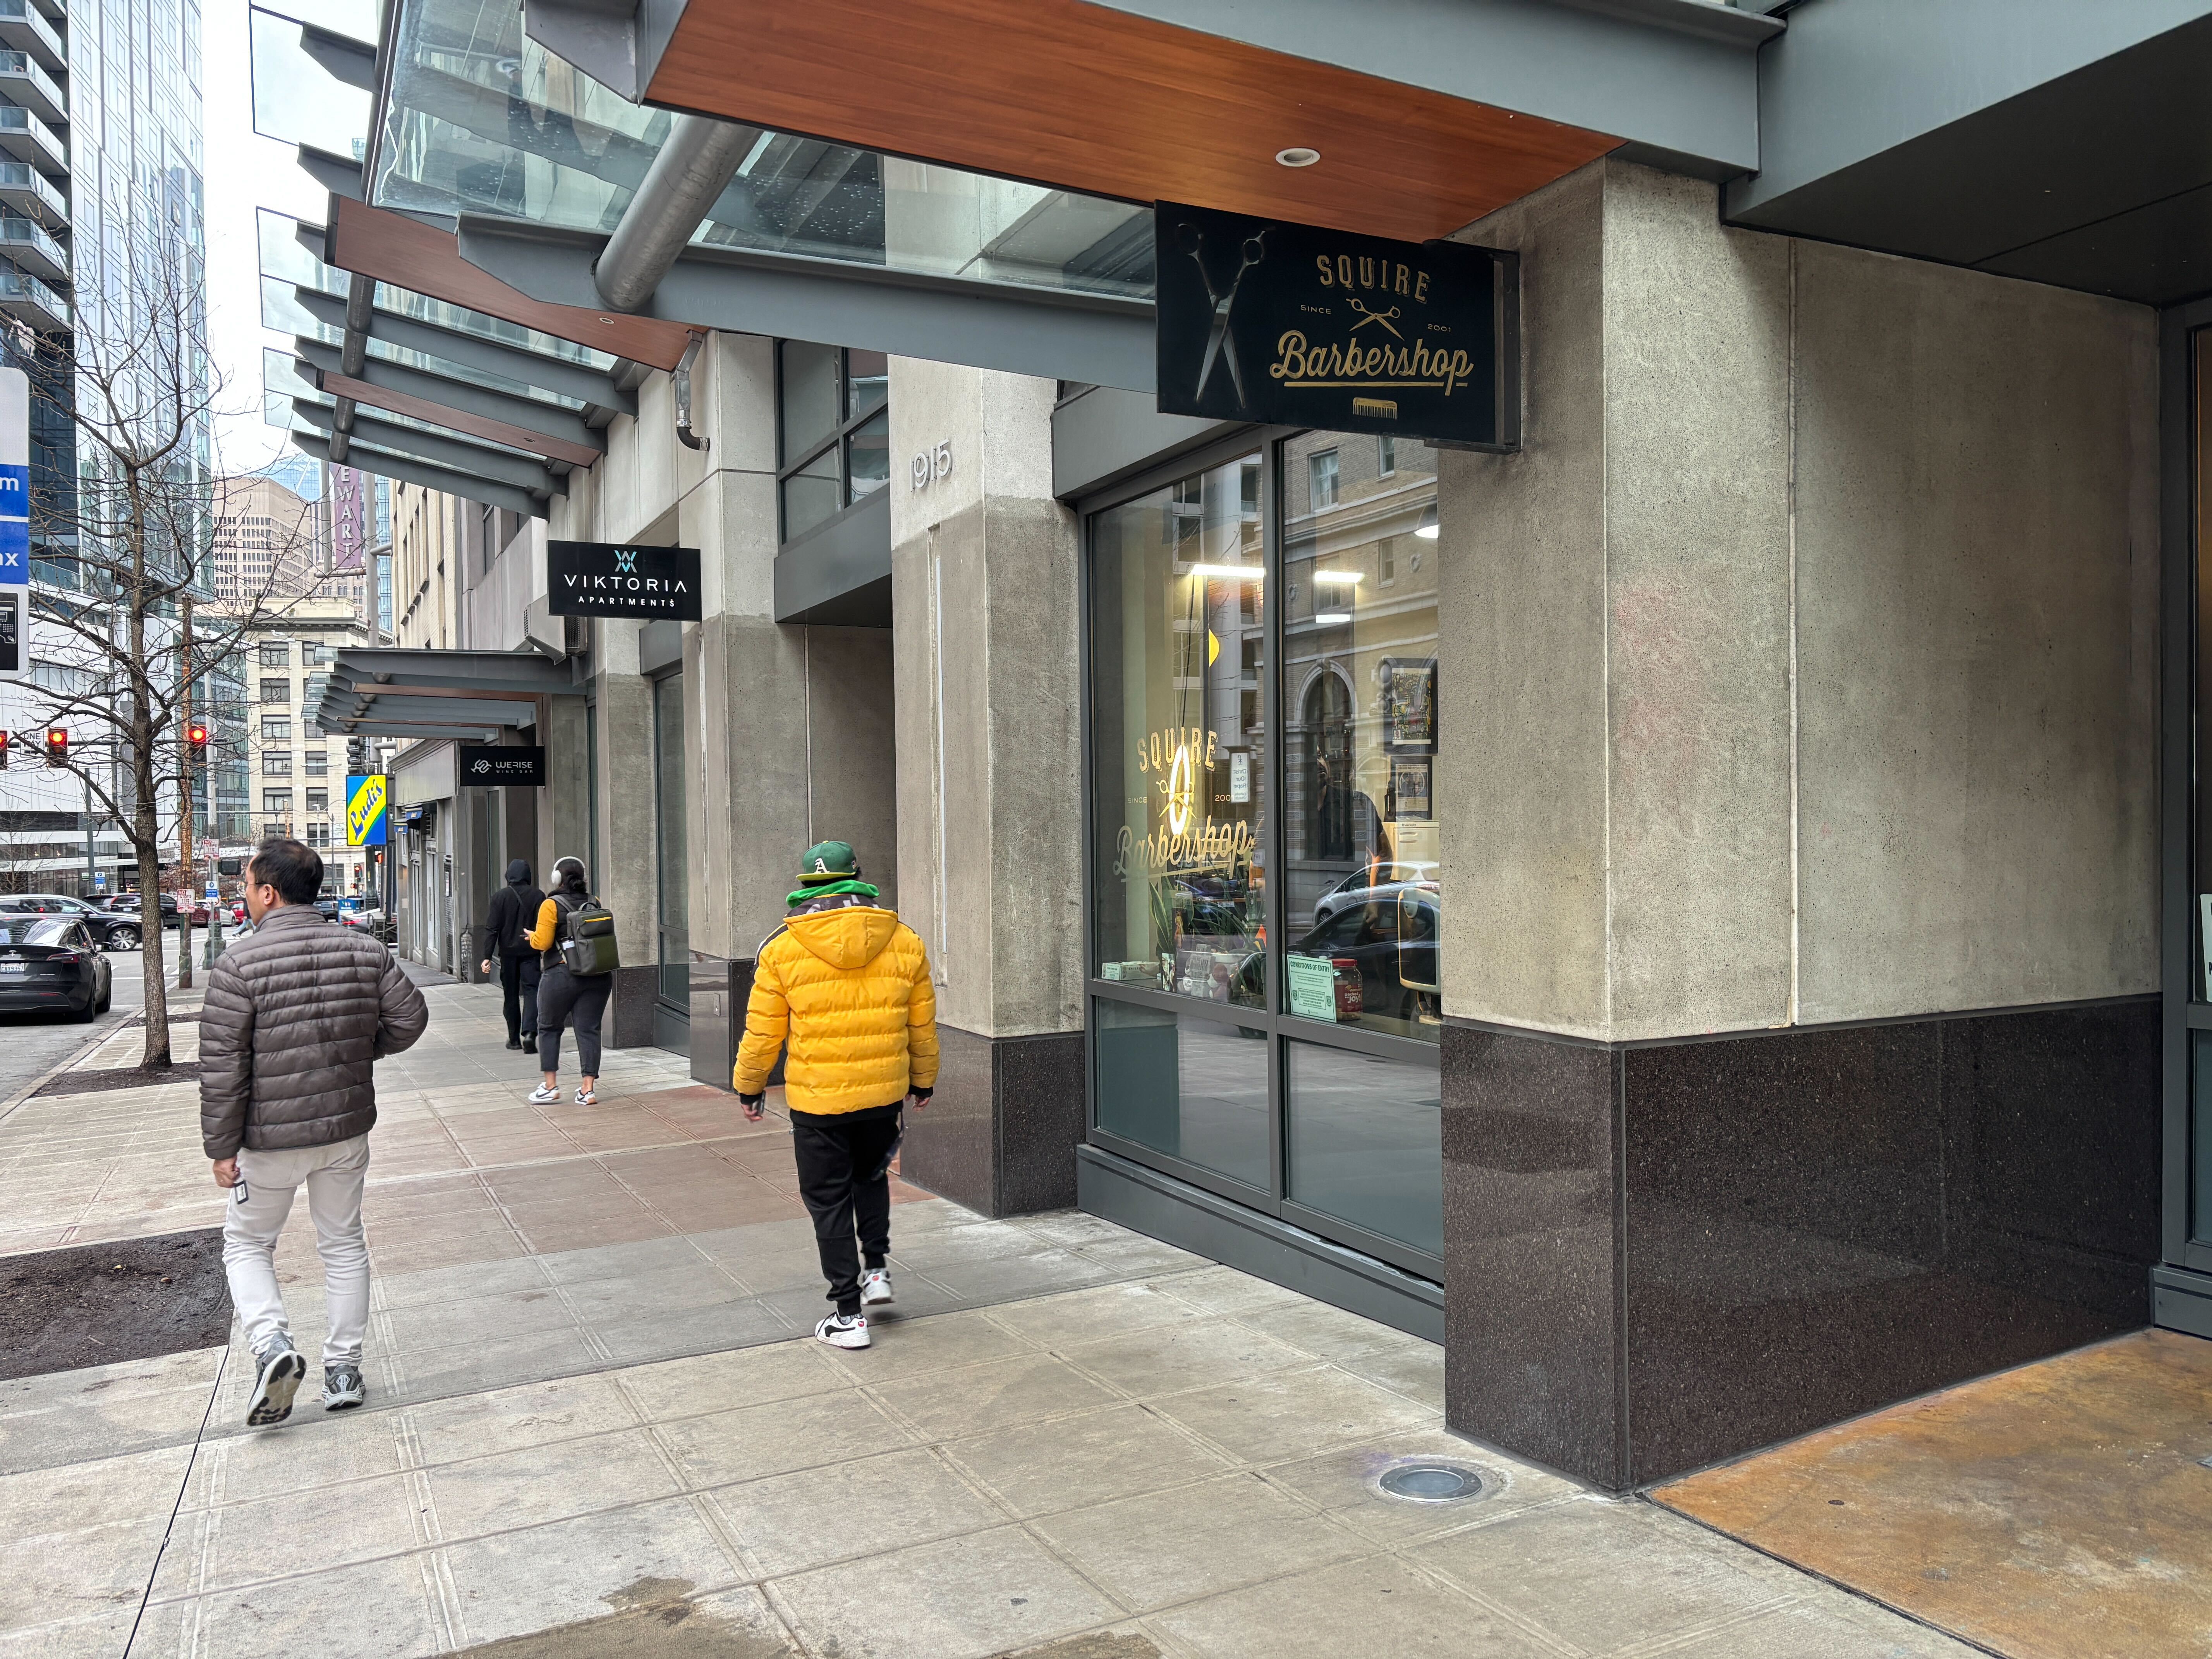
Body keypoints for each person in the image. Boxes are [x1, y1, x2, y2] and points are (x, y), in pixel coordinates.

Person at [201, 838, 429, 1427]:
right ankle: (344, 1369)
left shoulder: (238, 966)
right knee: (343, 1243)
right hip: (345, 1131)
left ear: (269, 893)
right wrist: (359, 1053)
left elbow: (224, 1069)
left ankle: (273, 1347)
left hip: (268, 1139)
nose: (244, 896)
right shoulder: (363, 950)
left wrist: (221, 1148)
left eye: (247, 886)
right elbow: (410, 1018)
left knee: (249, 1243)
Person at [734, 840, 938, 1350]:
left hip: (817, 1100)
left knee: (828, 1200)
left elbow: (763, 1033)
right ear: (859, 878)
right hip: (884, 1093)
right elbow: (922, 1024)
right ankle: (876, 1271)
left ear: (807, 885)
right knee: (870, 1178)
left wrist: (750, 1086)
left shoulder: (782, 948)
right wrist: (924, 1080)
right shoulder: (904, 939)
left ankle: (848, 1316)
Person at [527, 855, 611, 1106]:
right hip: (597, 975)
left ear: (557, 878)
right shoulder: (593, 902)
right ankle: (588, 1091)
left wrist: (532, 937)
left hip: (561, 974)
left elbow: (542, 943)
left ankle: (550, 1087)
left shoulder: (551, 904)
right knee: (588, 1029)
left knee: (549, 1027)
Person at [480, 858, 545, 1052]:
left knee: (511, 995)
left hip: (508, 955)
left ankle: (514, 1039)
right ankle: (530, 1033)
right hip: (531, 951)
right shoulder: (538, 896)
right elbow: (543, 926)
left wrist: (487, 956)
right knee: (532, 992)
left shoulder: (500, 897)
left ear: (509, 876)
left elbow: (492, 929)